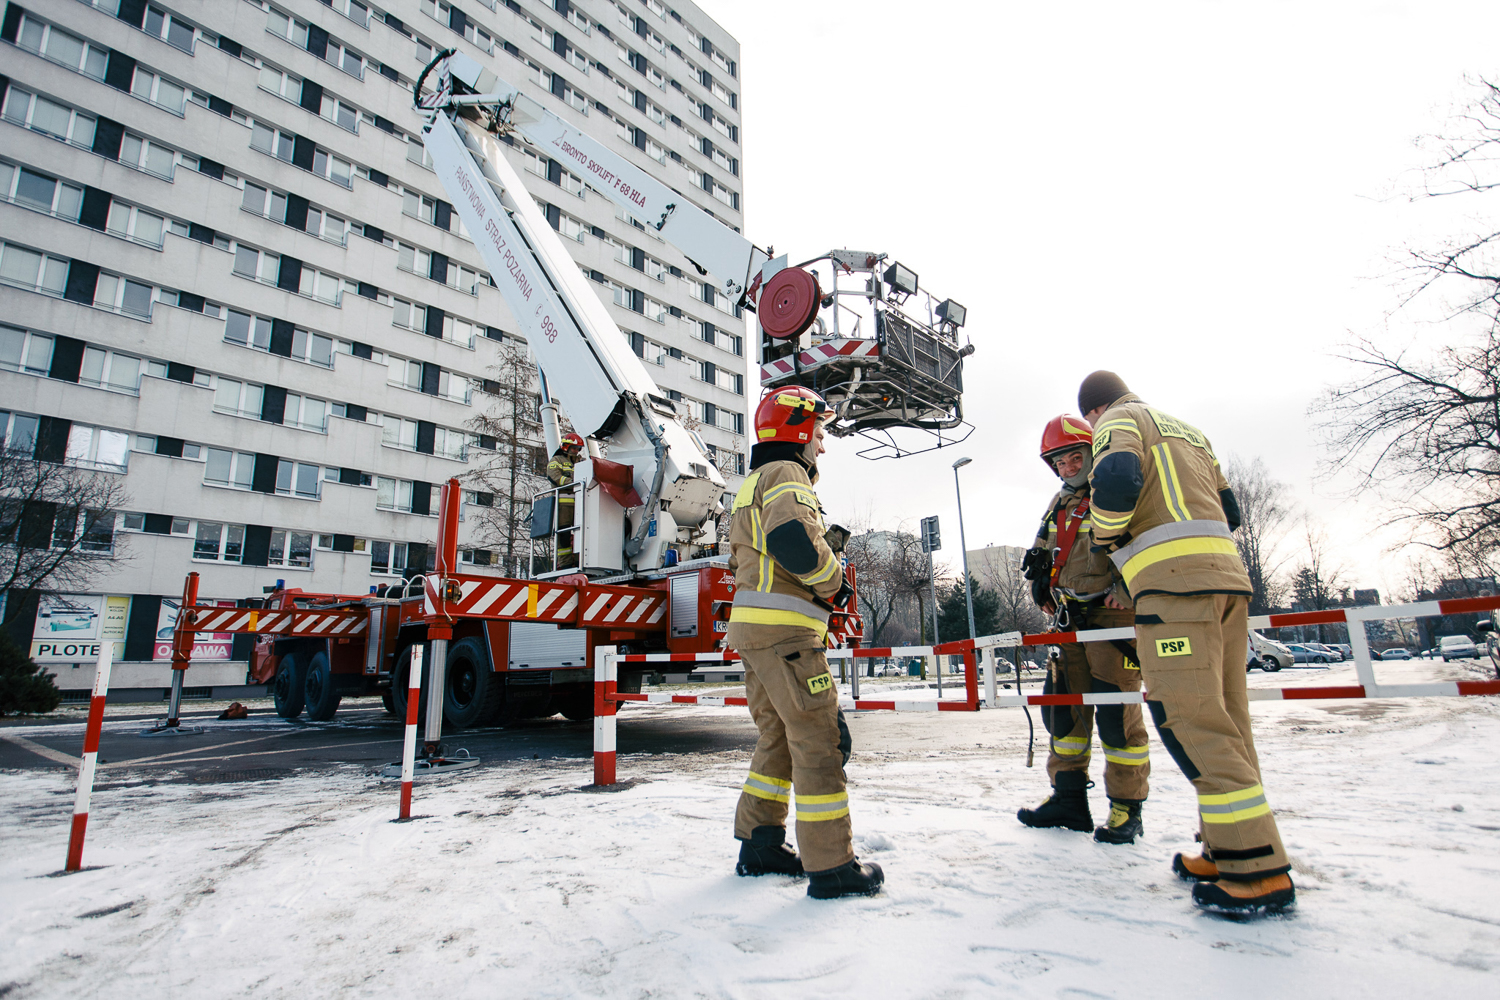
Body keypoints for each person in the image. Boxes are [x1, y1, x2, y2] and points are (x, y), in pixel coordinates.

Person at [1078, 370, 1295, 916]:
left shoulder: (1118, 420)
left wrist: (1104, 534)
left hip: (1175, 592)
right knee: (1228, 721)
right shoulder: (1190, 431)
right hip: (1227, 584)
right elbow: (1233, 512)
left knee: (1189, 719)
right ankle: (1226, 847)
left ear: (1093, 412)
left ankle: (1255, 870)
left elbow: (1118, 478)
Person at [726, 387, 882, 900]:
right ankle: (832, 865)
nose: (822, 444)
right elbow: (793, 541)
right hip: (787, 636)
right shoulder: (787, 474)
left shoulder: (754, 482)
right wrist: (836, 583)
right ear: (796, 431)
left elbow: (752, 557)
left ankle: (761, 843)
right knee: (819, 741)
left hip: (756, 636)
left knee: (777, 737)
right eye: (818, 433)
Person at [1018, 414, 1151, 844]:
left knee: (1117, 715)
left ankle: (1126, 808)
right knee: (1065, 711)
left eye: (1075, 457)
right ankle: (1069, 799)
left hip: (1111, 620)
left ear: (1093, 453)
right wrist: (1041, 582)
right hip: (1068, 617)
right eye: (1060, 462)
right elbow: (1044, 548)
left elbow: (1145, 542)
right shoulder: (1059, 504)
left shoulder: (1114, 493)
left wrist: (1126, 589)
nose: (1068, 467)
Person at [546, 432, 585, 569]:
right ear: (566, 446)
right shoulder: (556, 460)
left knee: (582, 532)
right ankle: (565, 564)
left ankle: (581, 561)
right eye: (574, 448)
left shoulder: (581, 462)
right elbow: (554, 476)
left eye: (578, 449)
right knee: (563, 534)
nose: (576, 451)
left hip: (581, 502)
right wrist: (573, 482)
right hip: (563, 503)